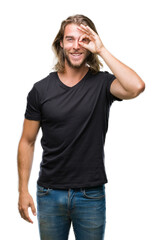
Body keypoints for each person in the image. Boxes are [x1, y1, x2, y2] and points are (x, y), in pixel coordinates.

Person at [17, 14, 145, 240]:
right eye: (70, 39)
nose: (76, 46)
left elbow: (136, 86)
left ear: (91, 44)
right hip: (49, 193)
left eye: (83, 40)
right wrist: (23, 190)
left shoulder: (103, 84)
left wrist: (102, 49)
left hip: (90, 196)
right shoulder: (40, 90)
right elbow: (27, 141)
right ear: (61, 44)